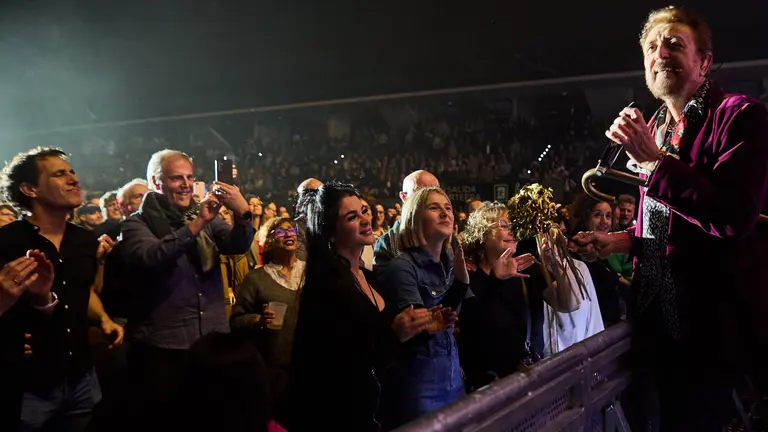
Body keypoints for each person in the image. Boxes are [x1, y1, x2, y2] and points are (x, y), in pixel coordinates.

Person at [572, 7, 768, 430]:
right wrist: (620, 241)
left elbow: (734, 217)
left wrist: (654, 163)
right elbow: (670, 228)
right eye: (651, 46)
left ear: (704, 61)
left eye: (675, 44)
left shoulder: (739, 115)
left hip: (706, 338)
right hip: (651, 327)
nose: (660, 52)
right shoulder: (660, 127)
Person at [119, 149, 255, 428]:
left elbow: (235, 246)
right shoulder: (137, 223)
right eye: (176, 178)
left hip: (209, 340)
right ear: (156, 183)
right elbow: (151, 257)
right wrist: (197, 224)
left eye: (190, 177)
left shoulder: (202, 213)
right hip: (164, 347)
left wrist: (242, 214)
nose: (186, 184)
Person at [289, 181, 434, 432]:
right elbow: (339, 364)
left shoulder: (369, 278)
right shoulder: (326, 287)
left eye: (364, 211)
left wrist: (419, 327)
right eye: (352, 217)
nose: (366, 220)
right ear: (332, 232)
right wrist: (393, 334)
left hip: (376, 409)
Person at [0, 147, 123, 432]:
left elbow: (84, 290)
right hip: (27, 384)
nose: (73, 179)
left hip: (81, 376)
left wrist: (103, 319)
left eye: (72, 172)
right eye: (59, 174)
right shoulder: (6, 242)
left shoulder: (84, 240)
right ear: (30, 189)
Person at [378, 187, 468, 426]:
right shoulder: (402, 267)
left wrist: (463, 283)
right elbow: (420, 330)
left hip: (452, 378)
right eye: (434, 207)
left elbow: (447, 319)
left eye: (448, 208)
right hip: (419, 385)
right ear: (415, 217)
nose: (445, 213)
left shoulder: (450, 263)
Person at [230, 217, 304, 424]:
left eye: (291, 230)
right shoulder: (257, 278)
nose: (288, 234)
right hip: (275, 370)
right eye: (280, 232)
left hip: (309, 365)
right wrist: (258, 320)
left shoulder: (311, 272)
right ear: (268, 241)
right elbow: (236, 320)